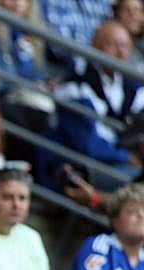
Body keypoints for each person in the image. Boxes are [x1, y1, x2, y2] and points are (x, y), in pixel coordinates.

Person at [54, 21, 144, 187]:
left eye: (124, 46)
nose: (120, 52)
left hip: (121, 161)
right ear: (95, 45)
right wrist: (126, 156)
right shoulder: (76, 84)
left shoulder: (132, 86)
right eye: (113, 45)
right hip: (84, 165)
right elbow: (87, 144)